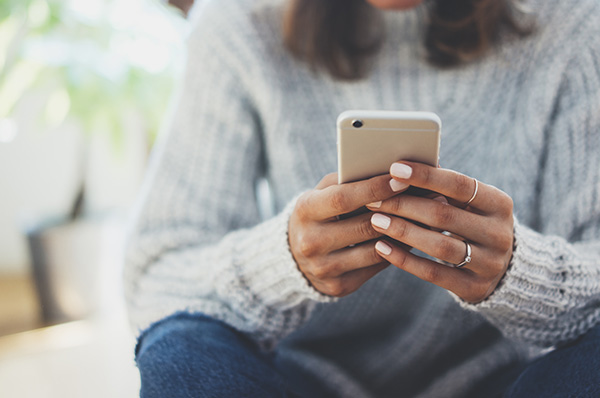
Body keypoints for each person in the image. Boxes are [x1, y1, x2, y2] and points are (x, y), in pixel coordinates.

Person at [124, 0, 600, 396]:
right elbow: (156, 279)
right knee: (180, 350)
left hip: (503, 379)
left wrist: (521, 271)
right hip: (298, 378)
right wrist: (284, 261)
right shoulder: (239, 22)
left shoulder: (571, 20)